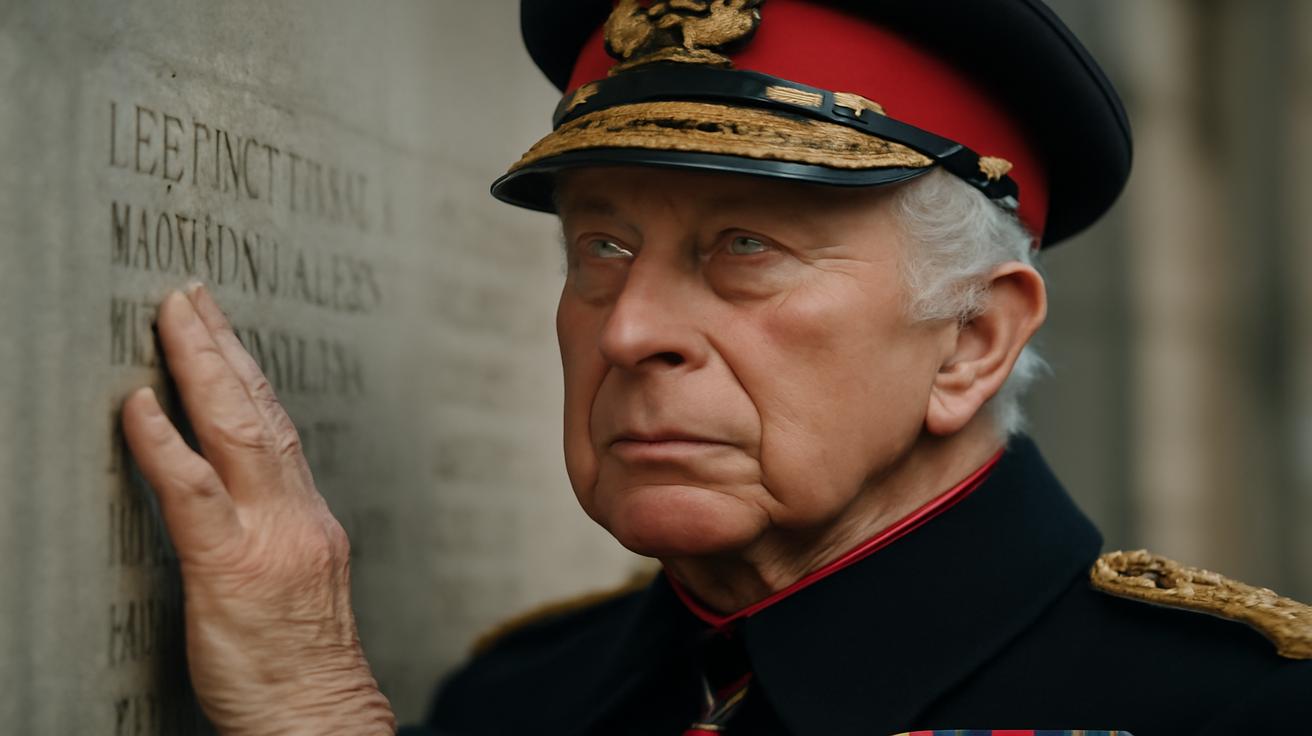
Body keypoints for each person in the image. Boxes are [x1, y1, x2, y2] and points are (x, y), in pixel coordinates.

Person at [121, 0, 1312, 734]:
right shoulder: (521, 701)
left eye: (743, 246)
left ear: (971, 338)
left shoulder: (1242, 711)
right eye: (601, 244)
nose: (630, 327)